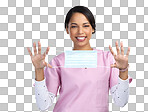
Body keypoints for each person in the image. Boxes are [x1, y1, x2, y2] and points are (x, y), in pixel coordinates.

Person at [27, 6, 132, 112]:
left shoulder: (108, 60)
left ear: (93, 28)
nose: (80, 31)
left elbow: (120, 101)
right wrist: (39, 70)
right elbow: (43, 105)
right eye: (74, 26)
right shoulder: (58, 62)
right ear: (67, 29)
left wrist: (123, 70)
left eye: (86, 26)